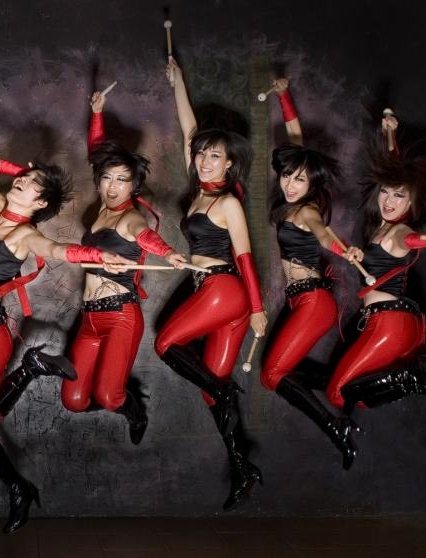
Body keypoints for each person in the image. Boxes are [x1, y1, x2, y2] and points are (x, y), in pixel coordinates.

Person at [0, 151, 135, 533]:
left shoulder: (24, 234)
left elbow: (56, 250)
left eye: (33, 184)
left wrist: (97, 254)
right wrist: (22, 169)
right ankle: (31, 368)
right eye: (23, 177)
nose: (22, 181)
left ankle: (19, 489)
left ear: (41, 203)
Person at [155, 57, 266, 510]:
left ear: (230, 163)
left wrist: (257, 309)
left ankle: (224, 391)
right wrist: (178, 82)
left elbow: (245, 257)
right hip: (213, 291)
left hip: (225, 290)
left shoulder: (228, 204)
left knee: (166, 344)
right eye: (202, 154)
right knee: (210, 387)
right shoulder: (200, 189)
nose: (203, 160)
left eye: (214, 156)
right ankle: (242, 467)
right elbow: (189, 132)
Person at [61, 89, 186, 444]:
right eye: (108, 178)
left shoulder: (129, 216)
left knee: (108, 397)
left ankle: (132, 407)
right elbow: (99, 154)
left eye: (122, 180)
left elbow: (144, 236)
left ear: (134, 185)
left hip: (120, 317)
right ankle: (115, 393)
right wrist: (97, 113)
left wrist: (168, 252)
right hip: (89, 318)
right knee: (73, 401)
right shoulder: (103, 208)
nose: (113, 186)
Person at [331, 113, 426, 415]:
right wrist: (390, 135)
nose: (388, 201)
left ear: (412, 203)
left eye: (398, 196)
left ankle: (417, 378)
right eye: (384, 191)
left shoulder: (399, 231)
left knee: (339, 395)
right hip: (384, 320)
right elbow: (393, 171)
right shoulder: (382, 227)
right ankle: (417, 375)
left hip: (390, 323)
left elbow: (415, 241)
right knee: (345, 394)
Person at [258, 78, 363, 470]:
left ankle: (336, 427)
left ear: (312, 182)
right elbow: (296, 138)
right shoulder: (292, 199)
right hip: (301, 299)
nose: (289, 183)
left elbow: (322, 235)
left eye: (299, 179)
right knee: (280, 371)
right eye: (287, 175)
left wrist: (343, 249)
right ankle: (349, 383)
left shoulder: (307, 210)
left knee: (272, 375)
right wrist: (284, 95)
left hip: (314, 301)